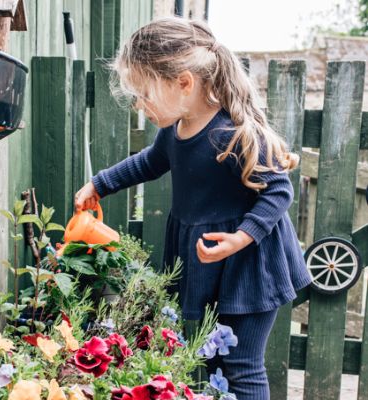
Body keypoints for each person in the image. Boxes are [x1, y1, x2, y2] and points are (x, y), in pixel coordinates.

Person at [74, 16, 312, 400]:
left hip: (251, 263)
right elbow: (150, 162)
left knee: (241, 363)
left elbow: (278, 191)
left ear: (184, 82)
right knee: (213, 358)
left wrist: (241, 237)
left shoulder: (234, 133)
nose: (140, 105)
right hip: (211, 259)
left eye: (145, 93)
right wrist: (100, 184)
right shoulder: (174, 129)